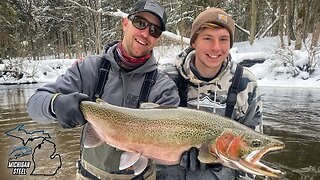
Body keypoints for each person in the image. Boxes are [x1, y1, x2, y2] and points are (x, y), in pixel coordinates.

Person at [27, 0, 179, 179]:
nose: (145, 33)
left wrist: (184, 155)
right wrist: (55, 104)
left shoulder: (164, 88)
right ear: (125, 23)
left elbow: (166, 153)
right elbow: (34, 105)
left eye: (154, 30)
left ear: (157, 38)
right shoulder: (89, 69)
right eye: (140, 23)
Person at [158, 7, 263, 180]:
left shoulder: (246, 84)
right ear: (194, 42)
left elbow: (251, 154)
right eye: (208, 38)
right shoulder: (166, 78)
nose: (216, 48)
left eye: (223, 39)